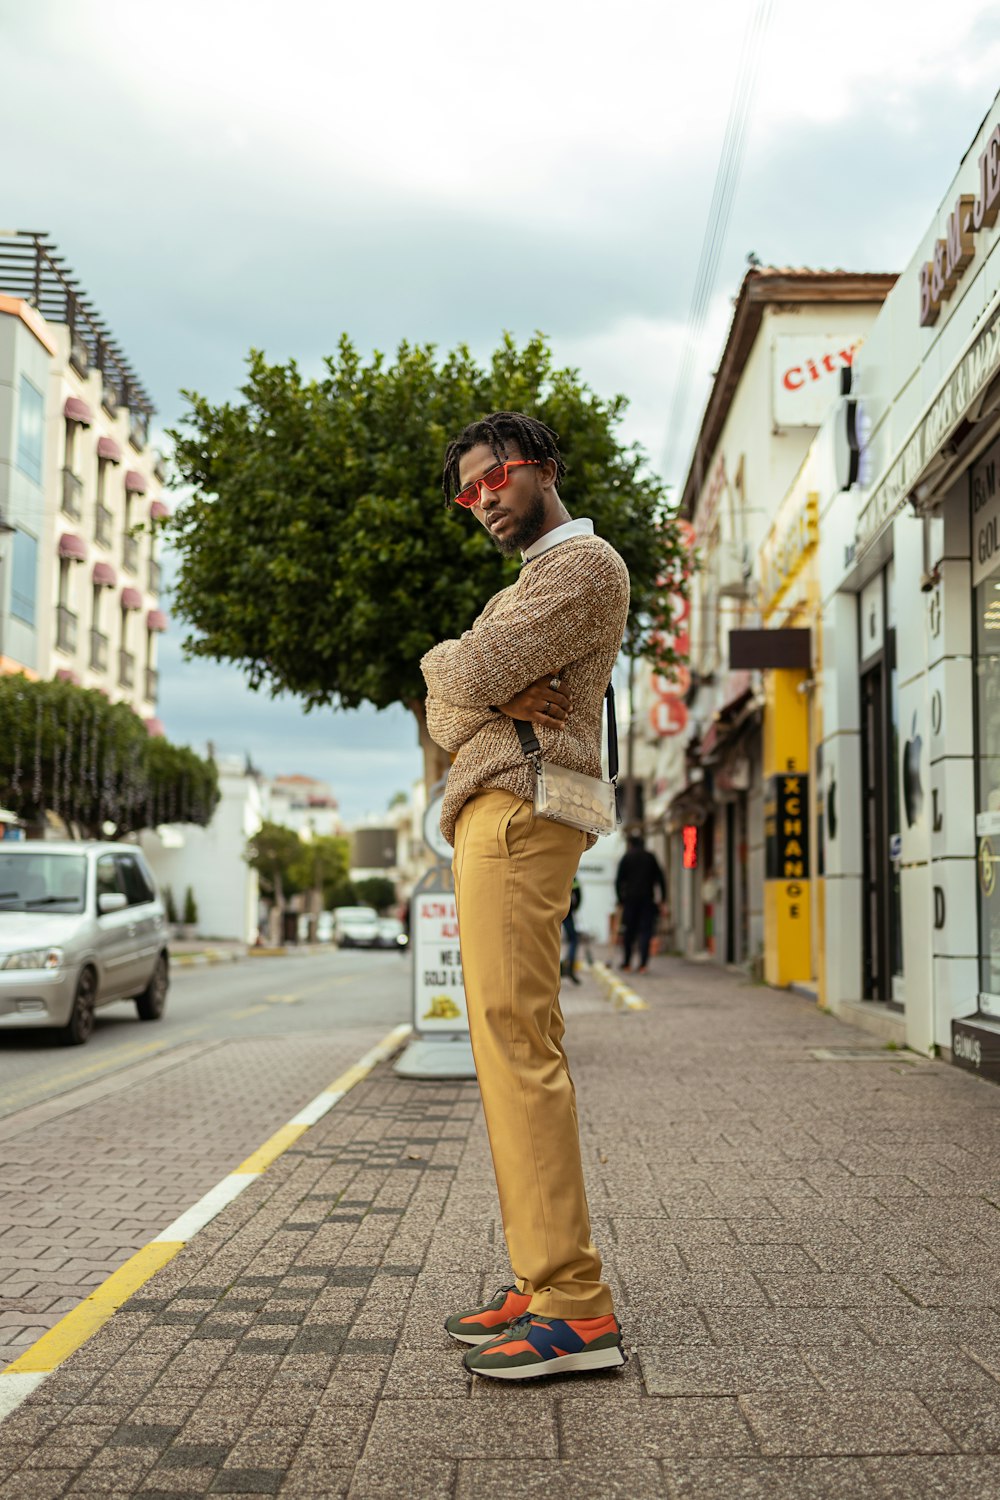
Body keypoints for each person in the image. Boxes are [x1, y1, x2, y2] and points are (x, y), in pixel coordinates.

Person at [421, 411, 629, 1382]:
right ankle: (543, 1280)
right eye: (468, 492)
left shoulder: (578, 571)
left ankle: (573, 1302)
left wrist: (468, 680)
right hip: (499, 808)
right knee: (509, 1046)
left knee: (516, 1045)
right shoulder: (530, 584)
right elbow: (447, 692)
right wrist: (469, 686)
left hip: (518, 806)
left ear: (541, 467)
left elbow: (460, 670)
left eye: (494, 477)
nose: (482, 500)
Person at [615, 832, 665, 973]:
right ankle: (643, 965)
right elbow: (660, 879)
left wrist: (620, 899)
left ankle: (627, 963)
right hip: (647, 900)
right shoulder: (650, 857)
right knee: (645, 932)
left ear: (630, 844)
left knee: (629, 932)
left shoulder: (627, 857)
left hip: (630, 900)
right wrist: (663, 899)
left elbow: (618, 881)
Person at [561, 877, 582, 985]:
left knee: (549, 940)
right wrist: (574, 907)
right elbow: (578, 894)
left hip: (550, 910)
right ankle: (569, 967)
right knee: (573, 940)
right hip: (567, 911)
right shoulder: (571, 872)